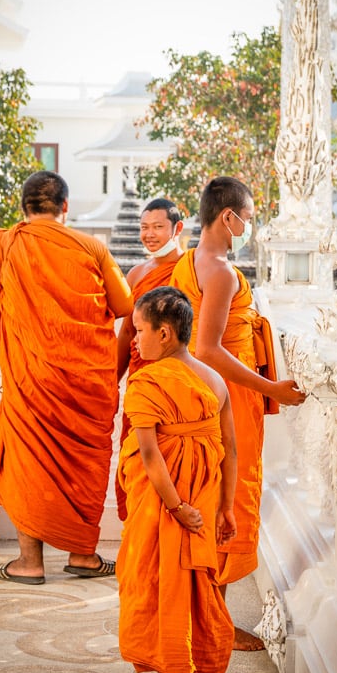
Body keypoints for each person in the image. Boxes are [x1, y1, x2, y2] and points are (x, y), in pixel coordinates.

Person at [0, 170, 133, 584]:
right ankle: (83, 555)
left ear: (23, 207)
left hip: (33, 380)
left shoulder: (5, 244)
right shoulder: (91, 247)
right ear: (65, 207)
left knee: (30, 462)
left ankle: (30, 563)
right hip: (88, 381)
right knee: (86, 464)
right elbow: (123, 304)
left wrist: (27, 341)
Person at [170, 175, 306, 651]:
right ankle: (212, 630)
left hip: (202, 399)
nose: (249, 226)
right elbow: (207, 348)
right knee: (227, 503)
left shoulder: (189, 262)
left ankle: (207, 623)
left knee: (210, 503)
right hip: (226, 402)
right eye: (247, 219)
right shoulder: (222, 272)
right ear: (227, 217)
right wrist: (272, 387)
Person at [117, 286, 238, 673]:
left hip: (167, 505)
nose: (134, 340)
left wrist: (175, 508)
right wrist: (226, 508)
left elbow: (150, 455)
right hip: (205, 502)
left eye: (140, 331)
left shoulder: (147, 381)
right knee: (187, 582)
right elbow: (231, 448)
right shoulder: (214, 379)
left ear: (165, 334)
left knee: (158, 581)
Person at [115, 197, 184, 519]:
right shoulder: (136, 273)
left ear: (177, 229)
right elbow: (127, 333)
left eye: (158, 227)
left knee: (173, 460)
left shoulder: (190, 272)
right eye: (144, 227)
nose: (150, 234)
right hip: (140, 382)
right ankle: (138, 539)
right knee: (135, 459)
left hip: (177, 384)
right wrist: (111, 381)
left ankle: (169, 537)